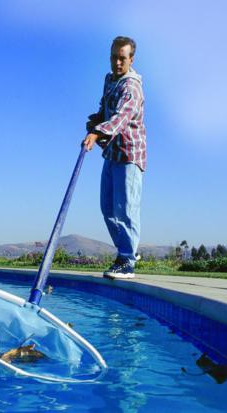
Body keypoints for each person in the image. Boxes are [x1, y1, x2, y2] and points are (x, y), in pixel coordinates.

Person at [82, 36, 146, 279]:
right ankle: (127, 251)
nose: (117, 63)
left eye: (123, 58)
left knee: (126, 209)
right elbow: (105, 109)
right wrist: (96, 121)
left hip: (129, 153)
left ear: (131, 59)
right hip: (111, 152)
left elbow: (121, 117)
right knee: (107, 208)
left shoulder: (132, 87)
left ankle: (127, 260)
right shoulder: (109, 80)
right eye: (114, 57)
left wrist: (98, 132)